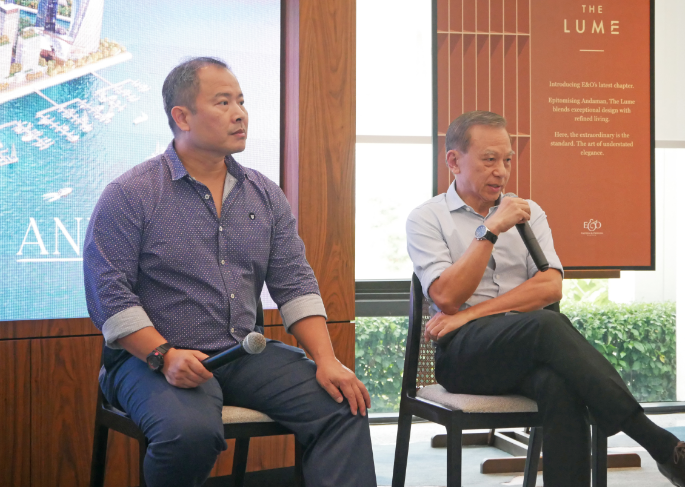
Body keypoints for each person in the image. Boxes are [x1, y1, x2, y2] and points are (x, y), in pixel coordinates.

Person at [83, 57, 376, 487]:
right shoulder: (131, 193)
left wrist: (327, 360)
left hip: (242, 354)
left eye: (241, 101)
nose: (240, 113)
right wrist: (164, 355)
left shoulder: (264, 193)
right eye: (223, 103)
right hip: (149, 360)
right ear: (182, 117)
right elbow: (109, 295)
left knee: (344, 403)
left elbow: (295, 282)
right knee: (189, 434)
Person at [406, 110, 685, 487]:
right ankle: (659, 444)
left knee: (559, 383)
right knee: (546, 325)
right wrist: (489, 230)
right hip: (462, 356)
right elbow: (447, 297)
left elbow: (551, 287)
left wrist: (472, 314)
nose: (501, 171)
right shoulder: (426, 218)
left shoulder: (529, 213)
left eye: (507, 160)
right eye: (489, 159)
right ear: (454, 161)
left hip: (522, 347)